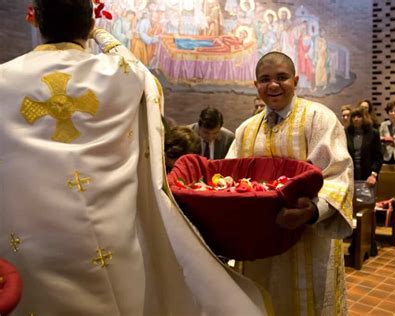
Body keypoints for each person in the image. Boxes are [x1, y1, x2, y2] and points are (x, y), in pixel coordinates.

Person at [0, 1, 268, 314]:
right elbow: (142, 74)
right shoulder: (119, 74)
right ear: (90, 23)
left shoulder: (4, 79)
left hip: (30, 234)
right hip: (106, 230)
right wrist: (100, 34)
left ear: (35, 22)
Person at [226, 52, 353, 315]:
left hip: (308, 240)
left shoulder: (319, 118)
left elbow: (338, 173)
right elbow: (229, 179)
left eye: (281, 77)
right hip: (260, 241)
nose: (273, 85)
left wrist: (312, 211)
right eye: (265, 79)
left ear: (295, 80)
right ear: (255, 85)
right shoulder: (245, 130)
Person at [346, 106, 383, 186]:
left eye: (359, 116)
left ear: (364, 118)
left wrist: (373, 175)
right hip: (350, 175)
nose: (356, 119)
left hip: (368, 175)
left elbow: (378, 157)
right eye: (353, 117)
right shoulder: (346, 133)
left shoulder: (373, 133)